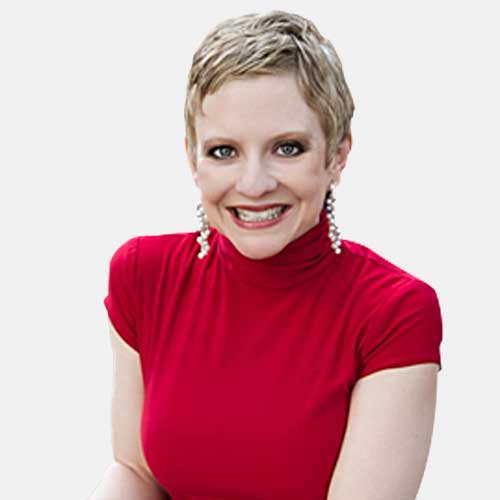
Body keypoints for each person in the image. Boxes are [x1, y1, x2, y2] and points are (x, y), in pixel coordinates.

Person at [91, 10, 443, 500]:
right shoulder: (142, 275)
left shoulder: (395, 311)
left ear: (337, 156)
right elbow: (135, 471)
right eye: (224, 151)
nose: (253, 184)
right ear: (192, 158)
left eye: (288, 148)